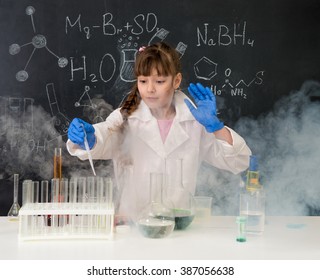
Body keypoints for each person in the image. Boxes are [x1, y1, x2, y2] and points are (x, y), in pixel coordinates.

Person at [66, 42, 251, 220]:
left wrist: (215, 127)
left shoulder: (195, 121)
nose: (150, 89)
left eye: (160, 81)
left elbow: (238, 161)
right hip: (133, 225)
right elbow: (103, 137)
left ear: (176, 81)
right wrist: (89, 138)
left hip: (178, 223)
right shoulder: (126, 117)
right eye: (143, 81)